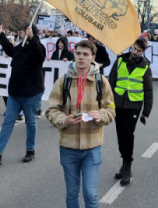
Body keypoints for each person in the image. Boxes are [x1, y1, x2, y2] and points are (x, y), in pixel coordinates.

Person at [45, 39, 115, 208]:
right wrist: (64, 120)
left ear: (93, 57)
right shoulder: (63, 81)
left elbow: (111, 109)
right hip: (68, 148)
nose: (81, 58)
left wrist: (101, 115)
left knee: (90, 194)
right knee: (71, 194)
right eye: (78, 54)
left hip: (92, 147)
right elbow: (52, 110)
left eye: (85, 54)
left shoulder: (101, 82)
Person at [0, 24, 46, 166]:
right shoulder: (20, 47)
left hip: (31, 93)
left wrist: (33, 38)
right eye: (21, 32)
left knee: (30, 122)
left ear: (31, 33)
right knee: (7, 122)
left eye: (23, 32)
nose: (20, 34)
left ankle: (30, 151)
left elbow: (39, 55)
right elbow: (10, 50)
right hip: (15, 92)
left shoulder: (38, 47)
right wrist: (2, 34)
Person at [107, 37, 153, 186]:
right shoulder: (120, 61)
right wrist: (106, 102)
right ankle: (124, 160)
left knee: (128, 134)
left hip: (134, 105)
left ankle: (127, 165)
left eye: (139, 51)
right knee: (120, 134)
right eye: (134, 48)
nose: (135, 52)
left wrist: (146, 113)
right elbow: (111, 82)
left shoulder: (145, 66)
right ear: (131, 47)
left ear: (143, 52)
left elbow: (148, 90)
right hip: (118, 104)